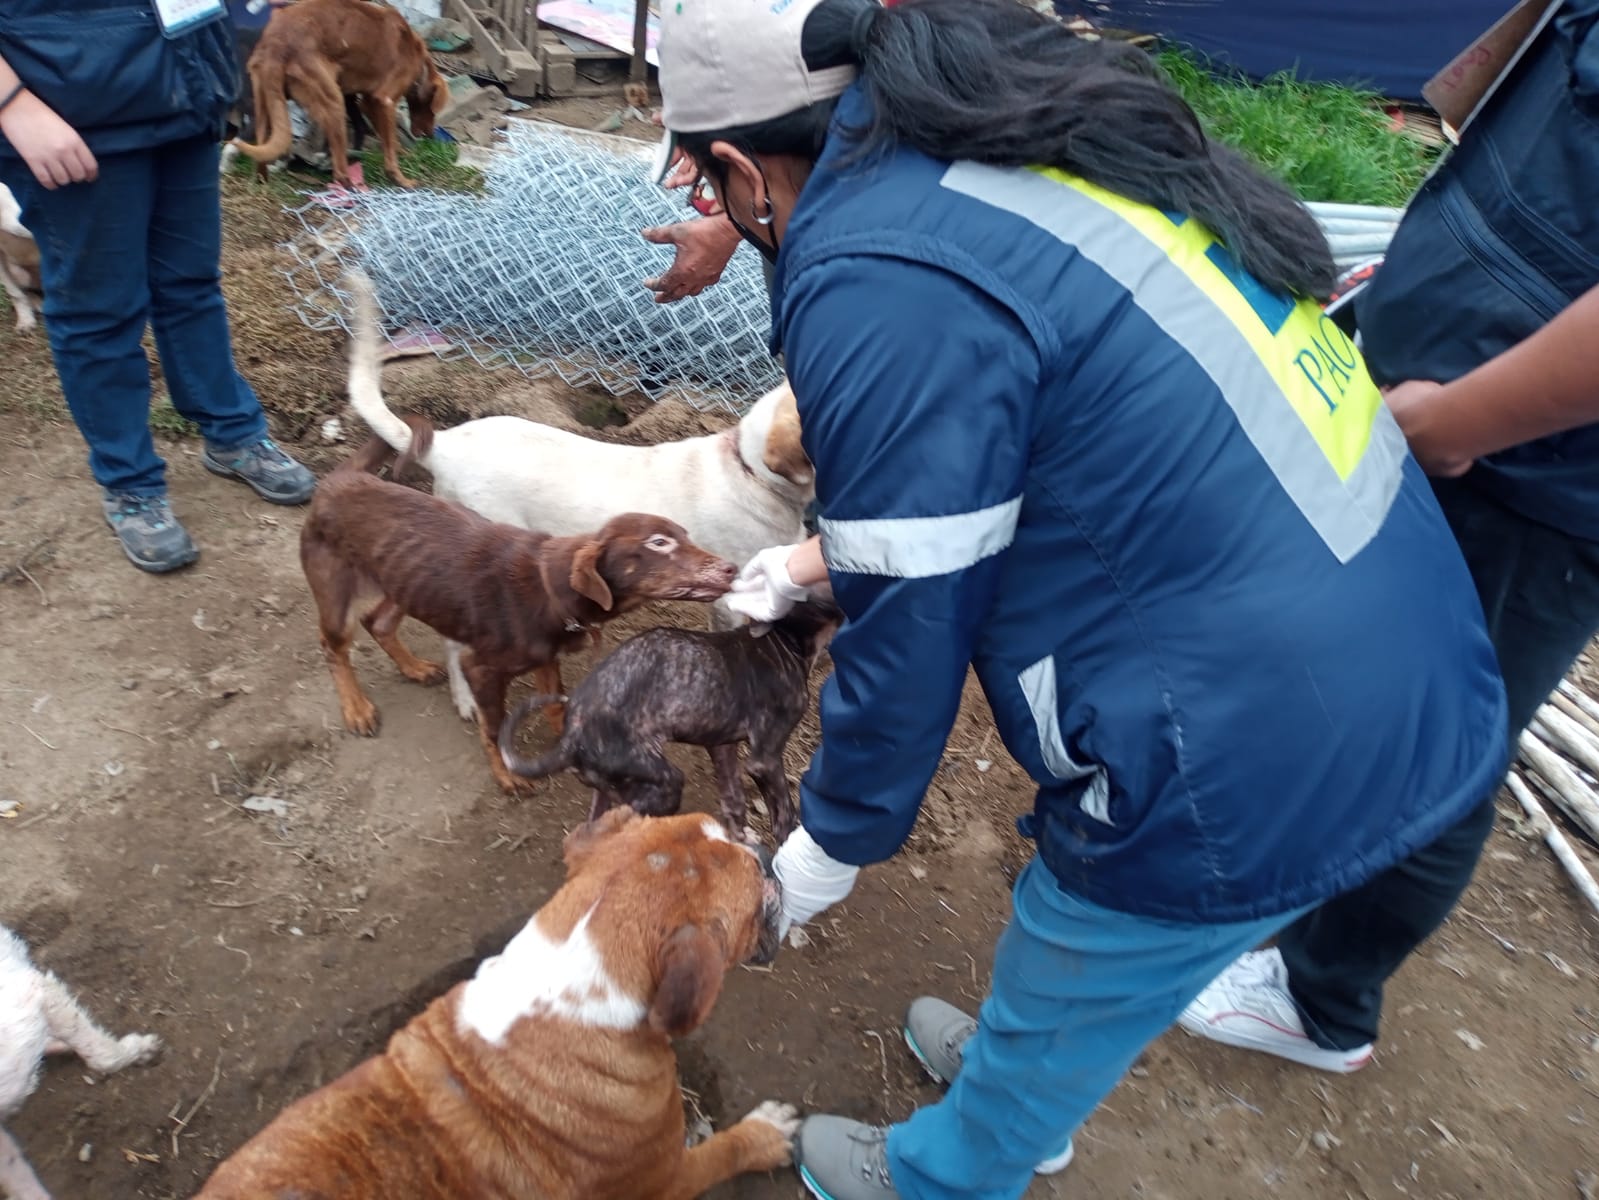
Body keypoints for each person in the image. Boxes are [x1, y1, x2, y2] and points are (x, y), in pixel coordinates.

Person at [651, 1, 1508, 1198]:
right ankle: (1019, 1070)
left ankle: (961, 1164)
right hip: (1387, 635)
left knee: (1093, 932)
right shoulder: (1015, 141)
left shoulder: (871, 270)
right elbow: (991, 489)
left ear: (742, 169)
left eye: (708, 191)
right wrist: (811, 564)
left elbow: (911, 627)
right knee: (1092, 949)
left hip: (1255, 738)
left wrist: (828, 846)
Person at [1176, 0, 1599, 1074]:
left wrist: (1461, 422)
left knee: (1446, 735)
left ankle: (1324, 1004)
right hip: (1451, 374)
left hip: (1531, 469)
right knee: (1344, 659)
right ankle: (1268, 886)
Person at [0, 0, 314, 575]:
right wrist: (13, 105)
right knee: (99, 309)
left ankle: (232, 434)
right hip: (70, 110)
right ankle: (131, 484)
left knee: (190, 284)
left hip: (183, 86)